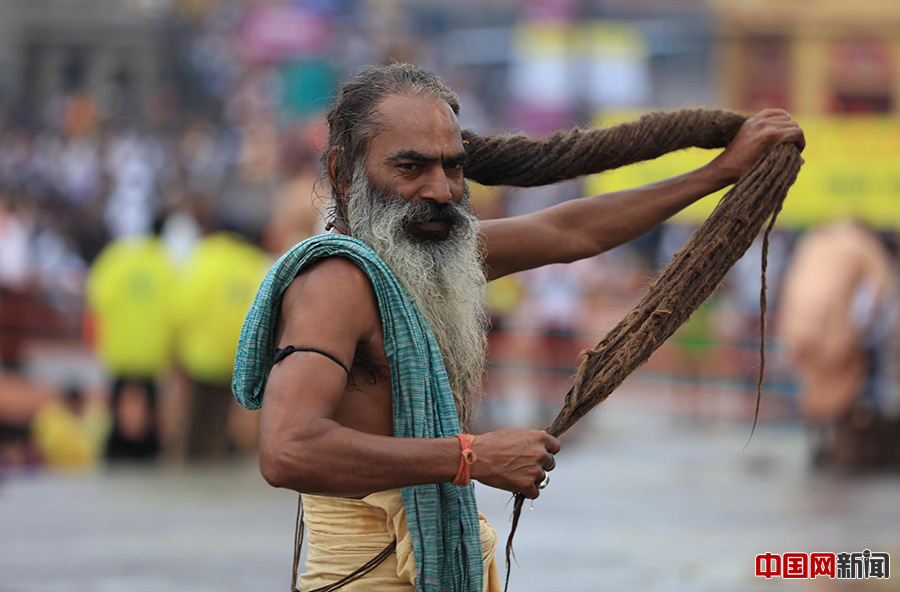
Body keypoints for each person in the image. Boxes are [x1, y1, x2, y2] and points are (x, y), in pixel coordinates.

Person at [232, 63, 804, 592]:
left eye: (452, 166)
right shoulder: (337, 281)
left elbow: (570, 232)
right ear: (342, 171)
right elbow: (288, 449)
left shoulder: (423, 256)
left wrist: (721, 173)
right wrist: (469, 458)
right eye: (410, 167)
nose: (440, 191)